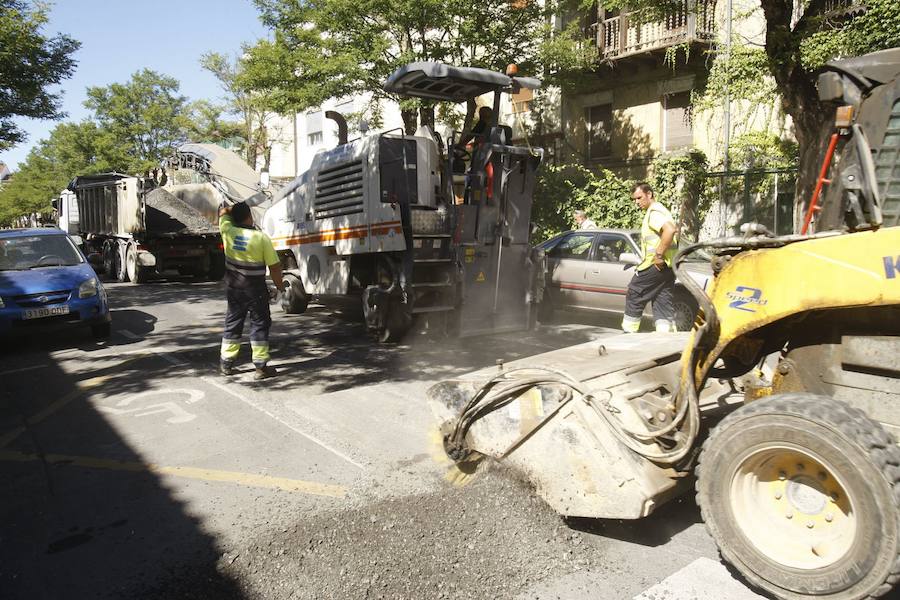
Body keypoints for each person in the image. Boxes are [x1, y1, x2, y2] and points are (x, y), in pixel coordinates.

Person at [218, 201, 285, 379]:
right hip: (256, 290)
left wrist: (231, 210)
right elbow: (275, 267)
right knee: (259, 325)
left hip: (234, 289)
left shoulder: (227, 231)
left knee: (232, 324)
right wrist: (280, 287)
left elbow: (223, 212)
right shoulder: (261, 238)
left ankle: (226, 363)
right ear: (250, 216)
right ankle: (260, 368)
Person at [622, 182, 678, 333]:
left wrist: (658, 256)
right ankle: (664, 339)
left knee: (634, 294)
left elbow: (670, 230)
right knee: (662, 301)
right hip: (668, 268)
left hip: (655, 266)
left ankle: (628, 334)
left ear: (649, 194)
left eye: (639, 198)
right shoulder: (662, 210)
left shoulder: (654, 212)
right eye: (634, 199)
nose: (637, 202)